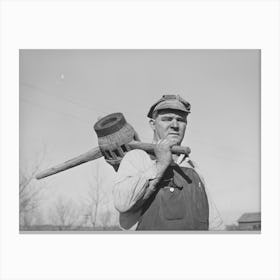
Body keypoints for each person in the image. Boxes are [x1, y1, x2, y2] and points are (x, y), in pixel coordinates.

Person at [113, 94, 224, 231]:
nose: (175, 125)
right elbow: (122, 203)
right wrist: (160, 164)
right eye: (167, 119)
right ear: (153, 124)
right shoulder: (137, 158)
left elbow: (214, 222)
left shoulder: (193, 167)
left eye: (180, 120)